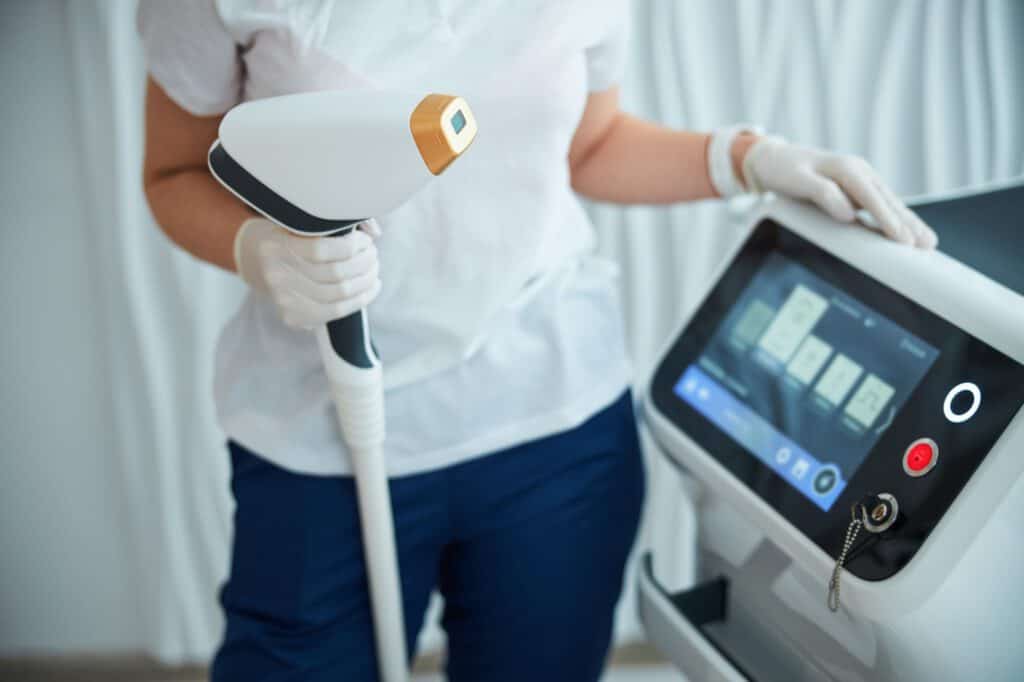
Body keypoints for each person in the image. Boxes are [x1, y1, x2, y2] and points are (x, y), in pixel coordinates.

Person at [138, 2, 936, 680]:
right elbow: (176, 172)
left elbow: (589, 146)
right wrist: (259, 248)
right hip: (321, 439)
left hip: (553, 425)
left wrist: (748, 158)